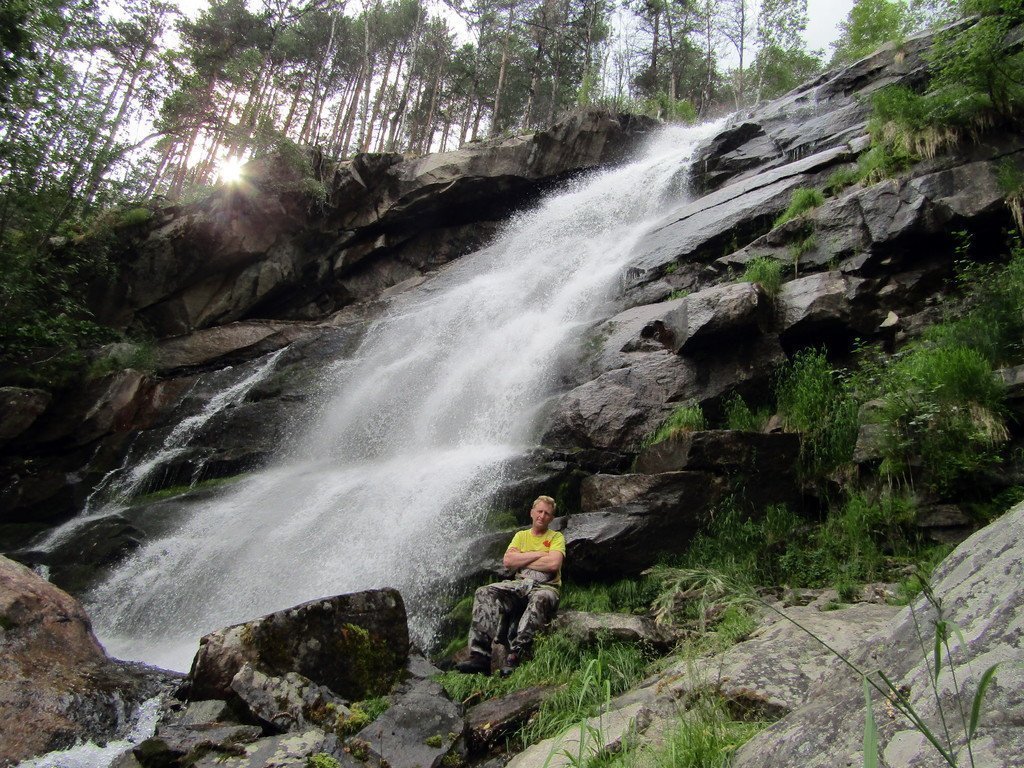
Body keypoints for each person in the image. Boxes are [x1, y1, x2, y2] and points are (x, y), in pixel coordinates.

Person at [455, 495, 565, 675]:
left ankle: (516, 655)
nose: (542, 516)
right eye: (539, 511)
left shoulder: (556, 537)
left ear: (551, 518)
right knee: (485, 591)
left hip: (546, 587)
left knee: (541, 598)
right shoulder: (521, 536)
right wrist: (539, 555)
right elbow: (508, 561)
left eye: (547, 513)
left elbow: (553, 564)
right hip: (519, 586)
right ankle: (480, 656)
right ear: (532, 512)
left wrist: (522, 559)